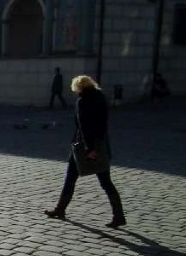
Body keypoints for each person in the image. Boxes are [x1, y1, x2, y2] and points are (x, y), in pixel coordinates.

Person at [44, 75, 126, 228]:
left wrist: (90, 148)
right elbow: (103, 123)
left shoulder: (83, 101)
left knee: (92, 180)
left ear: (79, 88)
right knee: (97, 180)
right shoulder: (100, 98)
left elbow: (83, 126)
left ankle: (118, 216)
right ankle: (60, 209)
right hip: (100, 142)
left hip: (84, 146)